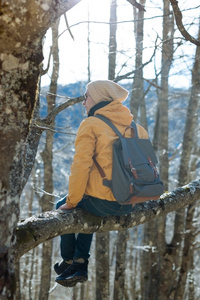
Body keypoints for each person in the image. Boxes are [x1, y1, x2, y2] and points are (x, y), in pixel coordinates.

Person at [55, 80, 148, 287]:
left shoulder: (91, 124)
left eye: (86, 96)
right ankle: (77, 263)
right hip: (131, 202)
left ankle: (72, 262)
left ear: (97, 99)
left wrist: (71, 201)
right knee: (89, 205)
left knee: (62, 206)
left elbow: (81, 167)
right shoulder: (137, 128)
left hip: (104, 202)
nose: (83, 102)